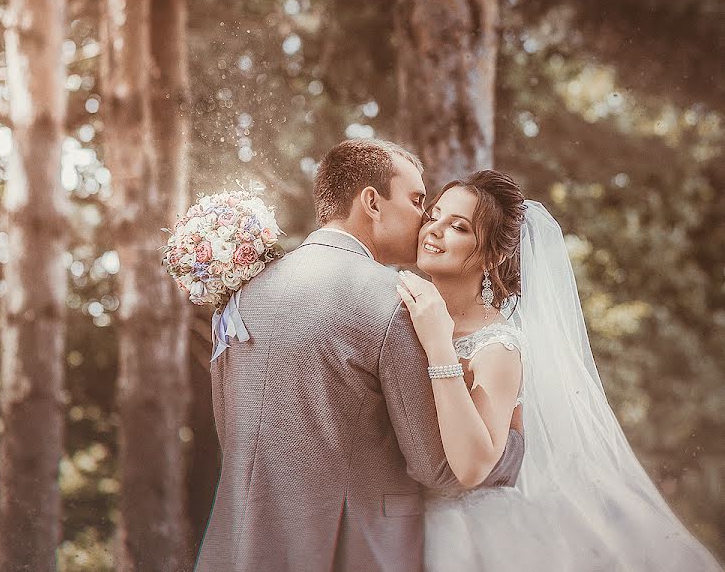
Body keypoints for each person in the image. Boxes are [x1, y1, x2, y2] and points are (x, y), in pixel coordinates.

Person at [194, 140, 524, 572]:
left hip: (234, 547)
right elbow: (438, 468)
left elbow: (231, 432)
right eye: (419, 201)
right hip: (347, 550)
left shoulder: (241, 293)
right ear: (372, 202)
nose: (426, 221)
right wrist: (518, 448)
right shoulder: (396, 304)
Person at [397, 169, 721, 571]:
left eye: (458, 226)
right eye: (434, 215)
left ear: (493, 256)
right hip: (393, 519)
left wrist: (439, 344)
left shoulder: (497, 348)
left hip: (463, 537)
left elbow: (472, 467)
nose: (434, 230)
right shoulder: (402, 302)